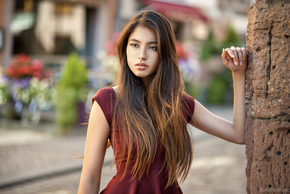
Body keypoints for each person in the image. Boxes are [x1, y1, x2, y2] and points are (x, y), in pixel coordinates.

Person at [78, 10, 247, 194]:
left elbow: (239, 134)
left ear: (164, 53)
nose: (142, 55)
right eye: (135, 45)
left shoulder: (179, 103)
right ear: (125, 48)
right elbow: (89, 179)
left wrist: (238, 74)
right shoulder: (107, 101)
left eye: (153, 47)